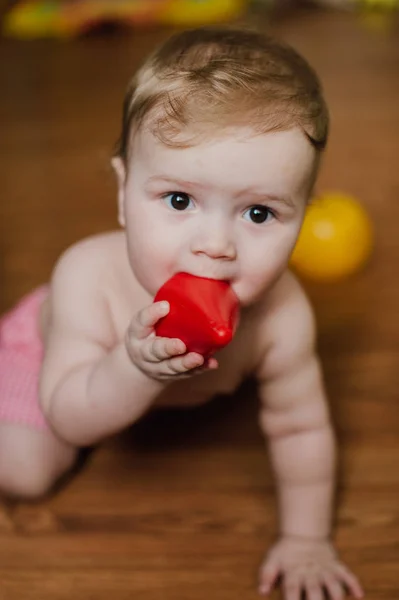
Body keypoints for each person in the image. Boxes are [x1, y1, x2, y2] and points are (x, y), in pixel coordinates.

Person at [0, 26, 364, 600]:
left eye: (260, 213)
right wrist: (134, 368)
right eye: (179, 200)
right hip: (59, 358)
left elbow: (301, 425)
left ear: (304, 216)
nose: (215, 244)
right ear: (123, 192)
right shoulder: (86, 278)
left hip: (154, 390)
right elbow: (71, 418)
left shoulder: (283, 314)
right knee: (25, 472)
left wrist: (307, 539)